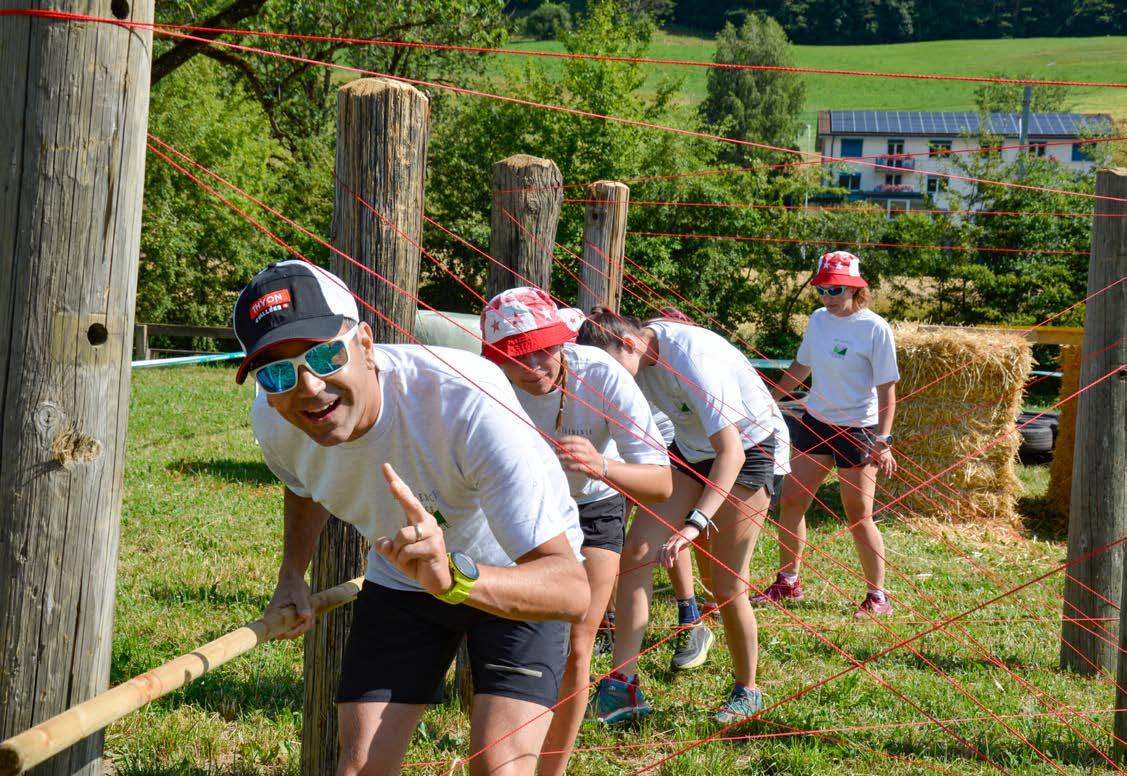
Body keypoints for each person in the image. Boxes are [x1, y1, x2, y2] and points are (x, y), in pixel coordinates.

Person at [234, 261, 590, 776]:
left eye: (325, 355)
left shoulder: (464, 398)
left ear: (365, 343)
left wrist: (454, 578)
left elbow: (571, 591)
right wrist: (292, 574)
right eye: (276, 373)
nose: (307, 387)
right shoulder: (277, 422)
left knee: (499, 768)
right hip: (405, 579)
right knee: (361, 770)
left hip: (517, 571)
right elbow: (302, 485)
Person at [479, 287, 673, 776]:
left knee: (577, 646)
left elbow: (662, 483)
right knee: (508, 642)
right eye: (515, 356)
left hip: (593, 506)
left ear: (562, 341)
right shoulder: (484, 381)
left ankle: (552, 769)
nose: (533, 366)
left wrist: (602, 465)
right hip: (520, 510)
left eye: (543, 349)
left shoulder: (601, 373)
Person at [578, 308, 782, 726]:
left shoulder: (691, 358)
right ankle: (622, 686)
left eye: (612, 369)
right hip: (691, 452)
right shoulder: (630, 360)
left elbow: (731, 453)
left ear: (630, 344)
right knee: (637, 552)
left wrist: (694, 524)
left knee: (726, 584)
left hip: (748, 452)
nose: (610, 381)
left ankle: (748, 690)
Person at [751, 251, 899, 618]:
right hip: (815, 422)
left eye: (835, 290)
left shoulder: (875, 328)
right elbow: (802, 366)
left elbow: (887, 390)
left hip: (858, 430)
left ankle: (877, 596)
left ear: (855, 289)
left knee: (858, 515)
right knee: (790, 502)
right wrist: (771, 400)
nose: (827, 297)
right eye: (822, 289)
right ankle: (788, 581)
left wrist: (883, 440)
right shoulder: (818, 320)